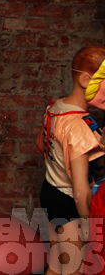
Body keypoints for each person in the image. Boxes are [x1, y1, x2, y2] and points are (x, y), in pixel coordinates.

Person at [37, 46, 105, 275]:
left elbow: (43, 145)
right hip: (70, 202)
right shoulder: (78, 126)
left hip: (50, 191)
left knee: (57, 265)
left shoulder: (55, 107)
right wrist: (89, 228)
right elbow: (80, 189)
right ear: (86, 80)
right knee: (75, 269)